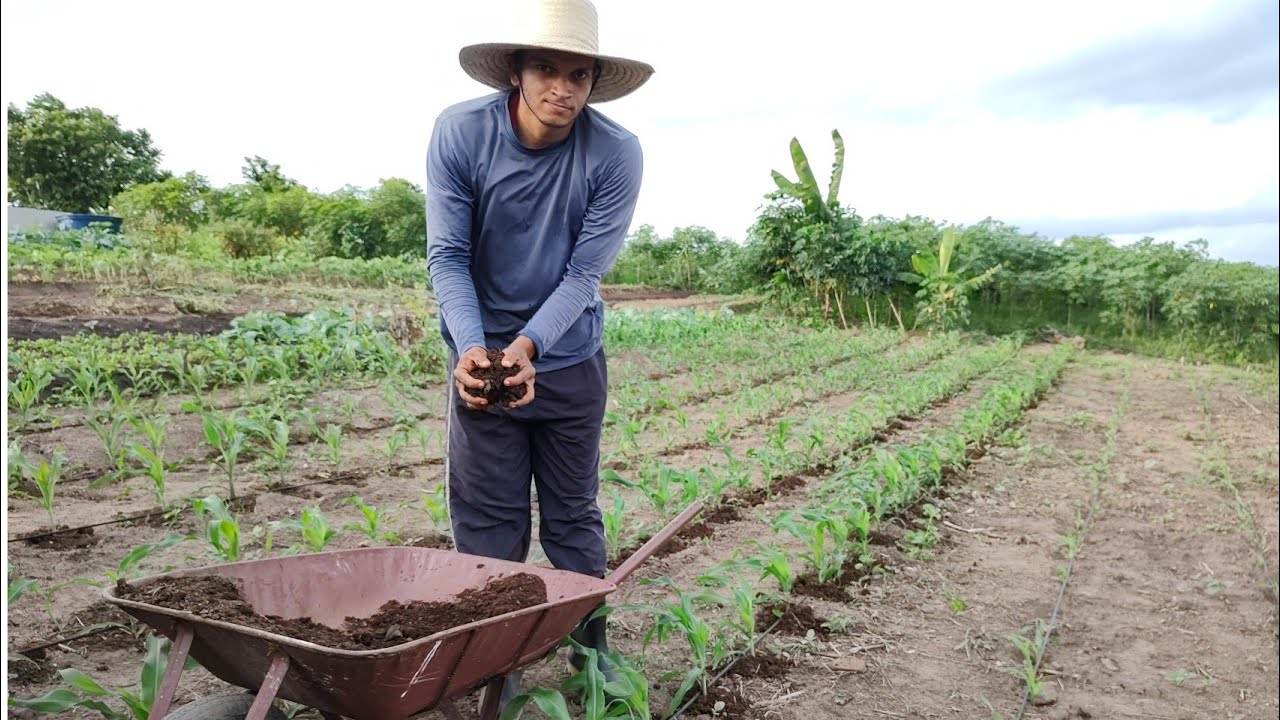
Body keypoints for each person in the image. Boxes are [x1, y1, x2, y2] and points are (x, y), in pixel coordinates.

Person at [424, 0, 653, 710]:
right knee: (488, 526)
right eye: (547, 69)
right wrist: (476, 351)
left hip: (569, 360)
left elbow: (584, 275)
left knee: (573, 516)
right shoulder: (461, 133)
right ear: (515, 73)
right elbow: (448, 256)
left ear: (593, 82)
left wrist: (528, 347)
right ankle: (498, 664)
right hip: (481, 365)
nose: (562, 88)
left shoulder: (615, 152)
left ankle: (593, 650)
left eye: (578, 75)